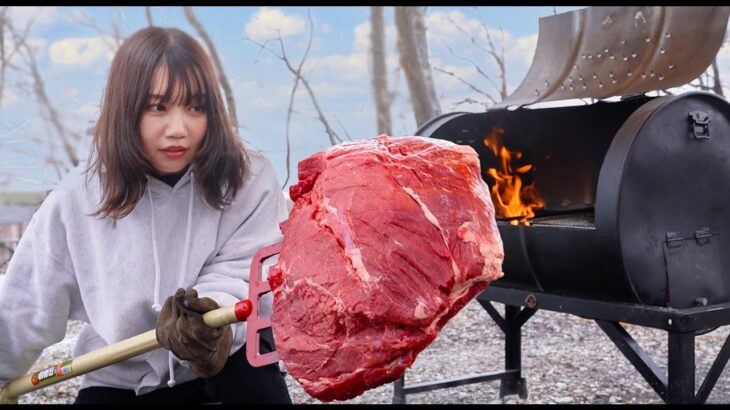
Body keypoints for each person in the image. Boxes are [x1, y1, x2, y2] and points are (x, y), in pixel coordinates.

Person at [0, 26, 292, 404]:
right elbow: (26, 303)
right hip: (117, 370)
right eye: (158, 107)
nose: (178, 129)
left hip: (225, 356)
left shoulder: (247, 177)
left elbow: (246, 269)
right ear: (127, 108)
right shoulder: (75, 199)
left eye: (195, 107)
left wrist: (210, 319)